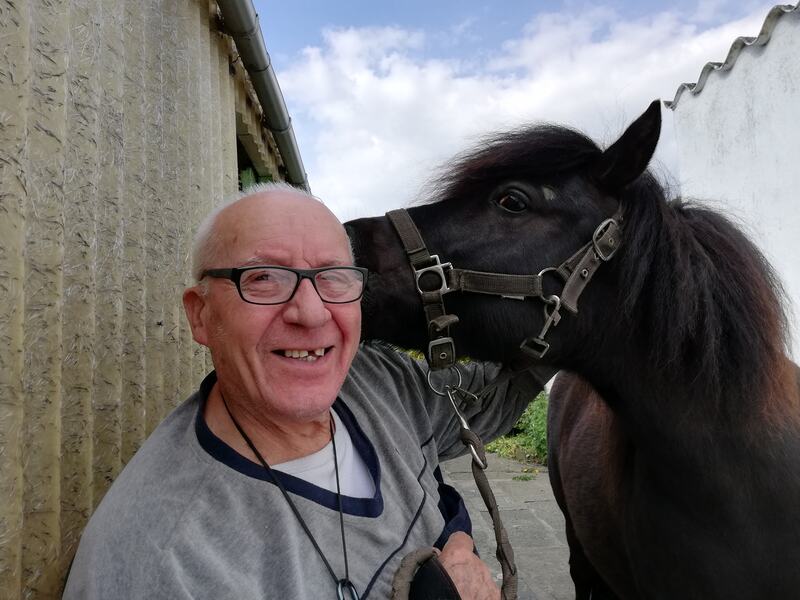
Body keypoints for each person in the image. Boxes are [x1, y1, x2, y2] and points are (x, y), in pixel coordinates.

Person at [63, 183, 551, 599]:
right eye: (264, 279)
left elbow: (489, 398)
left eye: (334, 278)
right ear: (201, 315)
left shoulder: (375, 381)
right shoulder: (161, 565)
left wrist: (458, 542)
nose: (312, 314)